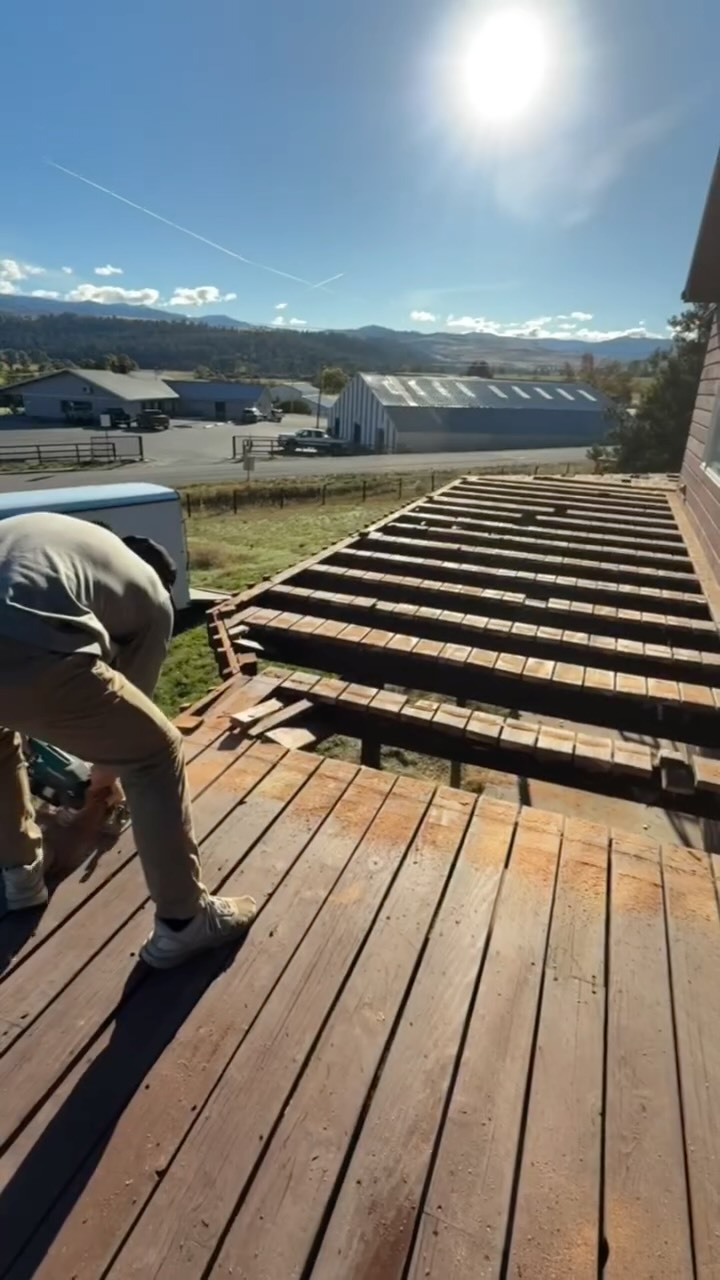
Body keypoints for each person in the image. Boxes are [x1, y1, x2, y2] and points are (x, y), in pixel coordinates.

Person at [0, 511, 256, 969]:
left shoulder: (52, 536)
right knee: (156, 753)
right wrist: (105, 782)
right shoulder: (153, 595)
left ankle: (19, 877)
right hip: (24, 642)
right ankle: (186, 921)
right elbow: (134, 720)